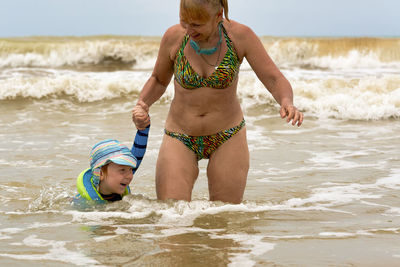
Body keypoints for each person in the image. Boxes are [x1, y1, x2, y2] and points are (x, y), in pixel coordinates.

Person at [132, 0, 304, 204]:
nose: (188, 30)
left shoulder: (240, 36)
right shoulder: (174, 37)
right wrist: (142, 103)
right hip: (180, 135)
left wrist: (286, 101)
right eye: (184, 22)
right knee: (171, 216)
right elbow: (159, 80)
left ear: (218, 15)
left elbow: (273, 78)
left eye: (196, 25)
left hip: (227, 135)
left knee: (225, 218)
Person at [73, 103, 150, 206]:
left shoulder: (118, 179)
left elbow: (139, 151)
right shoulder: (84, 204)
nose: (129, 176)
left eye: (130, 170)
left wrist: (144, 127)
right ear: (100, 174)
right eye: (122, 170)